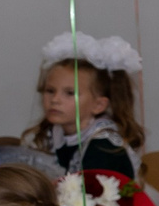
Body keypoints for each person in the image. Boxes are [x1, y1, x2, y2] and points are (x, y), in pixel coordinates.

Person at [27, 33, 144, 178]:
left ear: (99, 105)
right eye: (50, 91)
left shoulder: (103, 149)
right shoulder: (53, 135)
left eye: (70, 93)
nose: (55, 100)